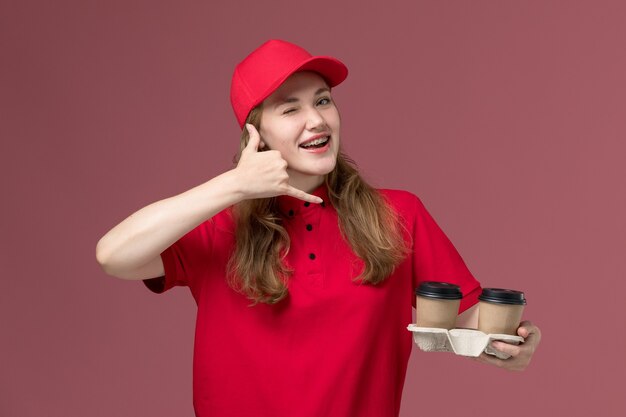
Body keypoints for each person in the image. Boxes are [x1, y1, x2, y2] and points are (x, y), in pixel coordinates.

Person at [96, 39, 541, 417]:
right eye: (291, 109)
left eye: (323, 100)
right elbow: (114, 255)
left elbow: (466, 321)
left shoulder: (399, 215)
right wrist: (233, 185)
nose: (317, 120)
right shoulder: (217, 225)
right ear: (257, 134)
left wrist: (512, 342)